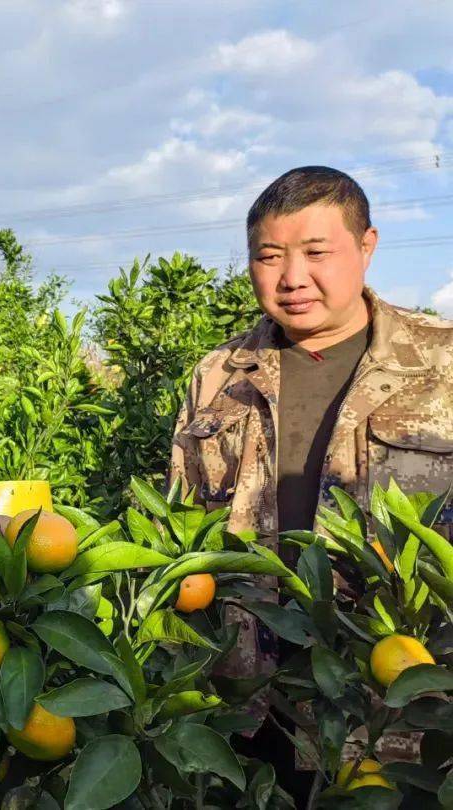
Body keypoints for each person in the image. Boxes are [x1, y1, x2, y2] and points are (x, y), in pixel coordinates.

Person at [169, 165, 453, 800]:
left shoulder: (442, 365)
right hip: (244, 712)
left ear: (367, 246)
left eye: (316, 252)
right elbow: (178, 536)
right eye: (269, 257)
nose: (292, 278)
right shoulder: (219, 377)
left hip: (399, 715)